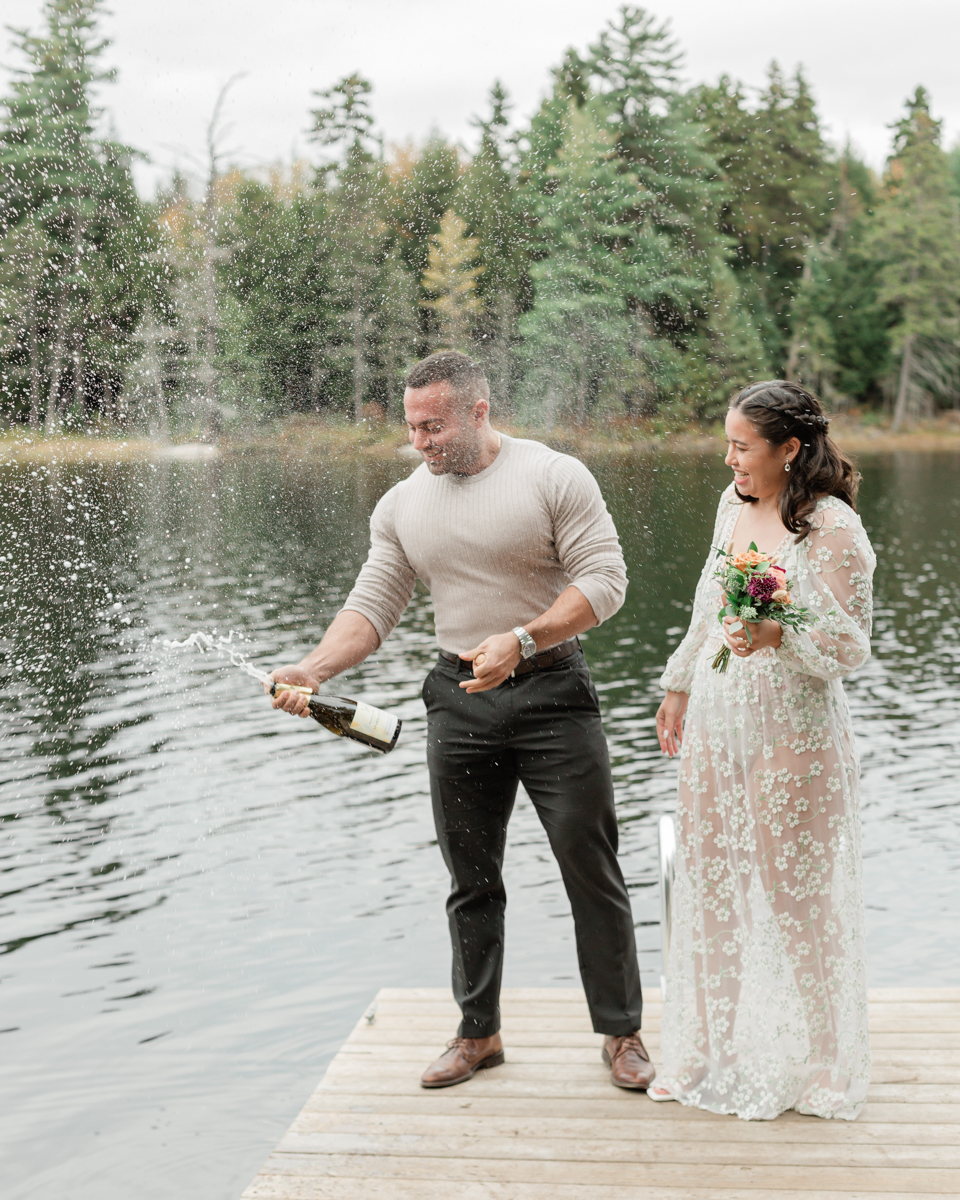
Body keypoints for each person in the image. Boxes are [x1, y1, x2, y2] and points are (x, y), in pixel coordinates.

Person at [269, 351, 654, 1091]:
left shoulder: (553, 476)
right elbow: (373, 606)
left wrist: (525, 638)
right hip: (458, 698)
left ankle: (621, 1033)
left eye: (434, 426)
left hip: (553, 691)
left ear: (479, 411)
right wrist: (314, 670)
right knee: (470, 876)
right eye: (412, 427)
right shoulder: (402, 504)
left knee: (589, 867)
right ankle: (479, 1033)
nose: (421, 442)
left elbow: (606, 582)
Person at [652, 380, 875, 1121]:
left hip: (794, 728)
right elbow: (706, 604)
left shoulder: (834, 528)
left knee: (793, 894)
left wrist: (783, 630)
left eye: (742, 447)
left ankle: (823, 1054)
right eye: (727, 445)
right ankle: (708, 1046)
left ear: (789, 448)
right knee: (710, 882)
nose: (729, 460)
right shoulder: (731, 507)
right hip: (720, 719)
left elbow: (850, 647)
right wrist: (679, 685)